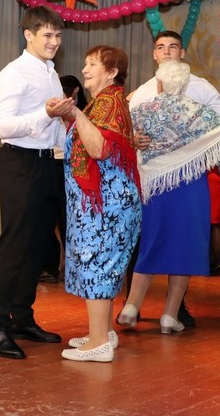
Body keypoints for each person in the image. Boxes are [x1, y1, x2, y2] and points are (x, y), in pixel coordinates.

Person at [120, 61, 220, 334]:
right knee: (185, 248)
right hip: (189, 189)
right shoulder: (195, 111)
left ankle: (131, 306)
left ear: (158, 84)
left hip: (155, 190)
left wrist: (134, 139)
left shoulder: (142, 109)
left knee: (151, 244)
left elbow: (121, 135)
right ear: (184, 85)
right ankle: (170, 315)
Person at [127, 30, 220, 327]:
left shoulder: (200, 88)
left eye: (172, 47)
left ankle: (169, 309)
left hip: (188, 177)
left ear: (182, 53)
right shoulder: (142, 92)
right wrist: (133, 139)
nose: (167, 52)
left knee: (176, 241)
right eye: (161, 47)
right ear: (154, 54)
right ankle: (144, 308)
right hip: (154, 182)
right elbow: (126, 132)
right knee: (153, 242)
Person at [0, 6, 75, 359]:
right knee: (14, 246)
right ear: (28, 35)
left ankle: (21, 318)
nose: (54, 42)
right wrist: (46, 113)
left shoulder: (51, 74)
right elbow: (5, 126)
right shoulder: (13, 74)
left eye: (58, 35)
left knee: (39, 246)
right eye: (47, 35)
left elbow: (53, 125)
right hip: (19, 163)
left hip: (49, 164)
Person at [61, 46, 141, 363]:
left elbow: (99, 149)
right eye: (85, 63)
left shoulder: (108, 102)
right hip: (107, 203)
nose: (84, 69)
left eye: (92, 64)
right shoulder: (107, 101)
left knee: (98, 266)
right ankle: (103, 333)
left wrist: (76, 114)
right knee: (103, 266)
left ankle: (98, 344)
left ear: (111, 72)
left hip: (106, 205)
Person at [41, 75, 89, 284]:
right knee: (48, 217)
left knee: (68, 217)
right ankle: (51, 266)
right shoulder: (49, 103)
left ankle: (74, 267)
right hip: (51, 162)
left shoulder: (85, 110)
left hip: (71, 166)